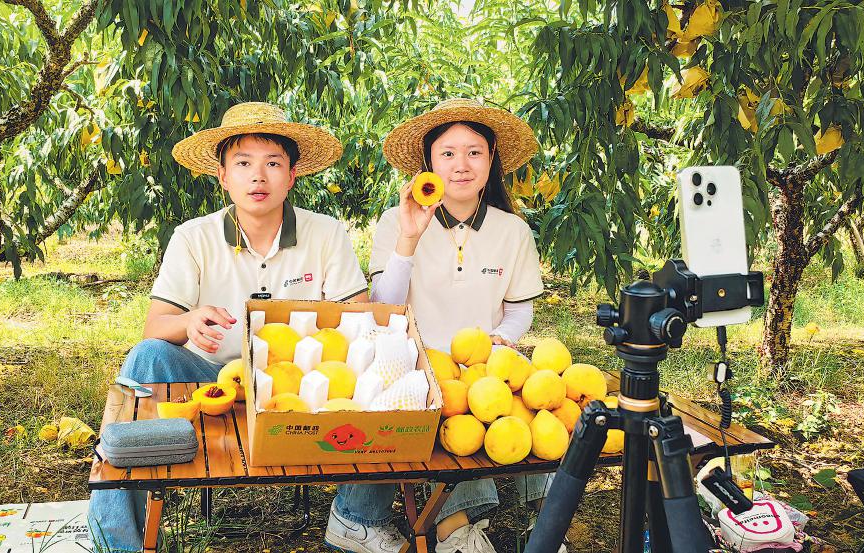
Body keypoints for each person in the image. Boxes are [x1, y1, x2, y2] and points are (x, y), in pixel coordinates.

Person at [89, 102, 368, 552]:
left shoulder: (326, 233)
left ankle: (356, 521)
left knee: (377, 367)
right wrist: (188, 321)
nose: (258, 177)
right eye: (243, 164)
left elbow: (360, 319)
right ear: (222, 175)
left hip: (300, 387)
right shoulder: (193, 237)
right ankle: (119, 542)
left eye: (272, 163)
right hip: (212, 383)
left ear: (292, 175)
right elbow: (155, 326)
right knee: (145, 357)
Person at [325, 99, 565, 553]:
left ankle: (546, 525)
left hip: (486, 361)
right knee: (457, 412)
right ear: (429, 163)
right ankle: (455, 530)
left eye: (474, 152)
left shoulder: (513, 231)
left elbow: (518, 310)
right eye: (448, 153)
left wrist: (505, 338)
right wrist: (409, 238)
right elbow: (385, 309)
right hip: (414, 363)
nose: (461, 165)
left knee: (529, 411)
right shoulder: (395, 222)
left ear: (491, 161)